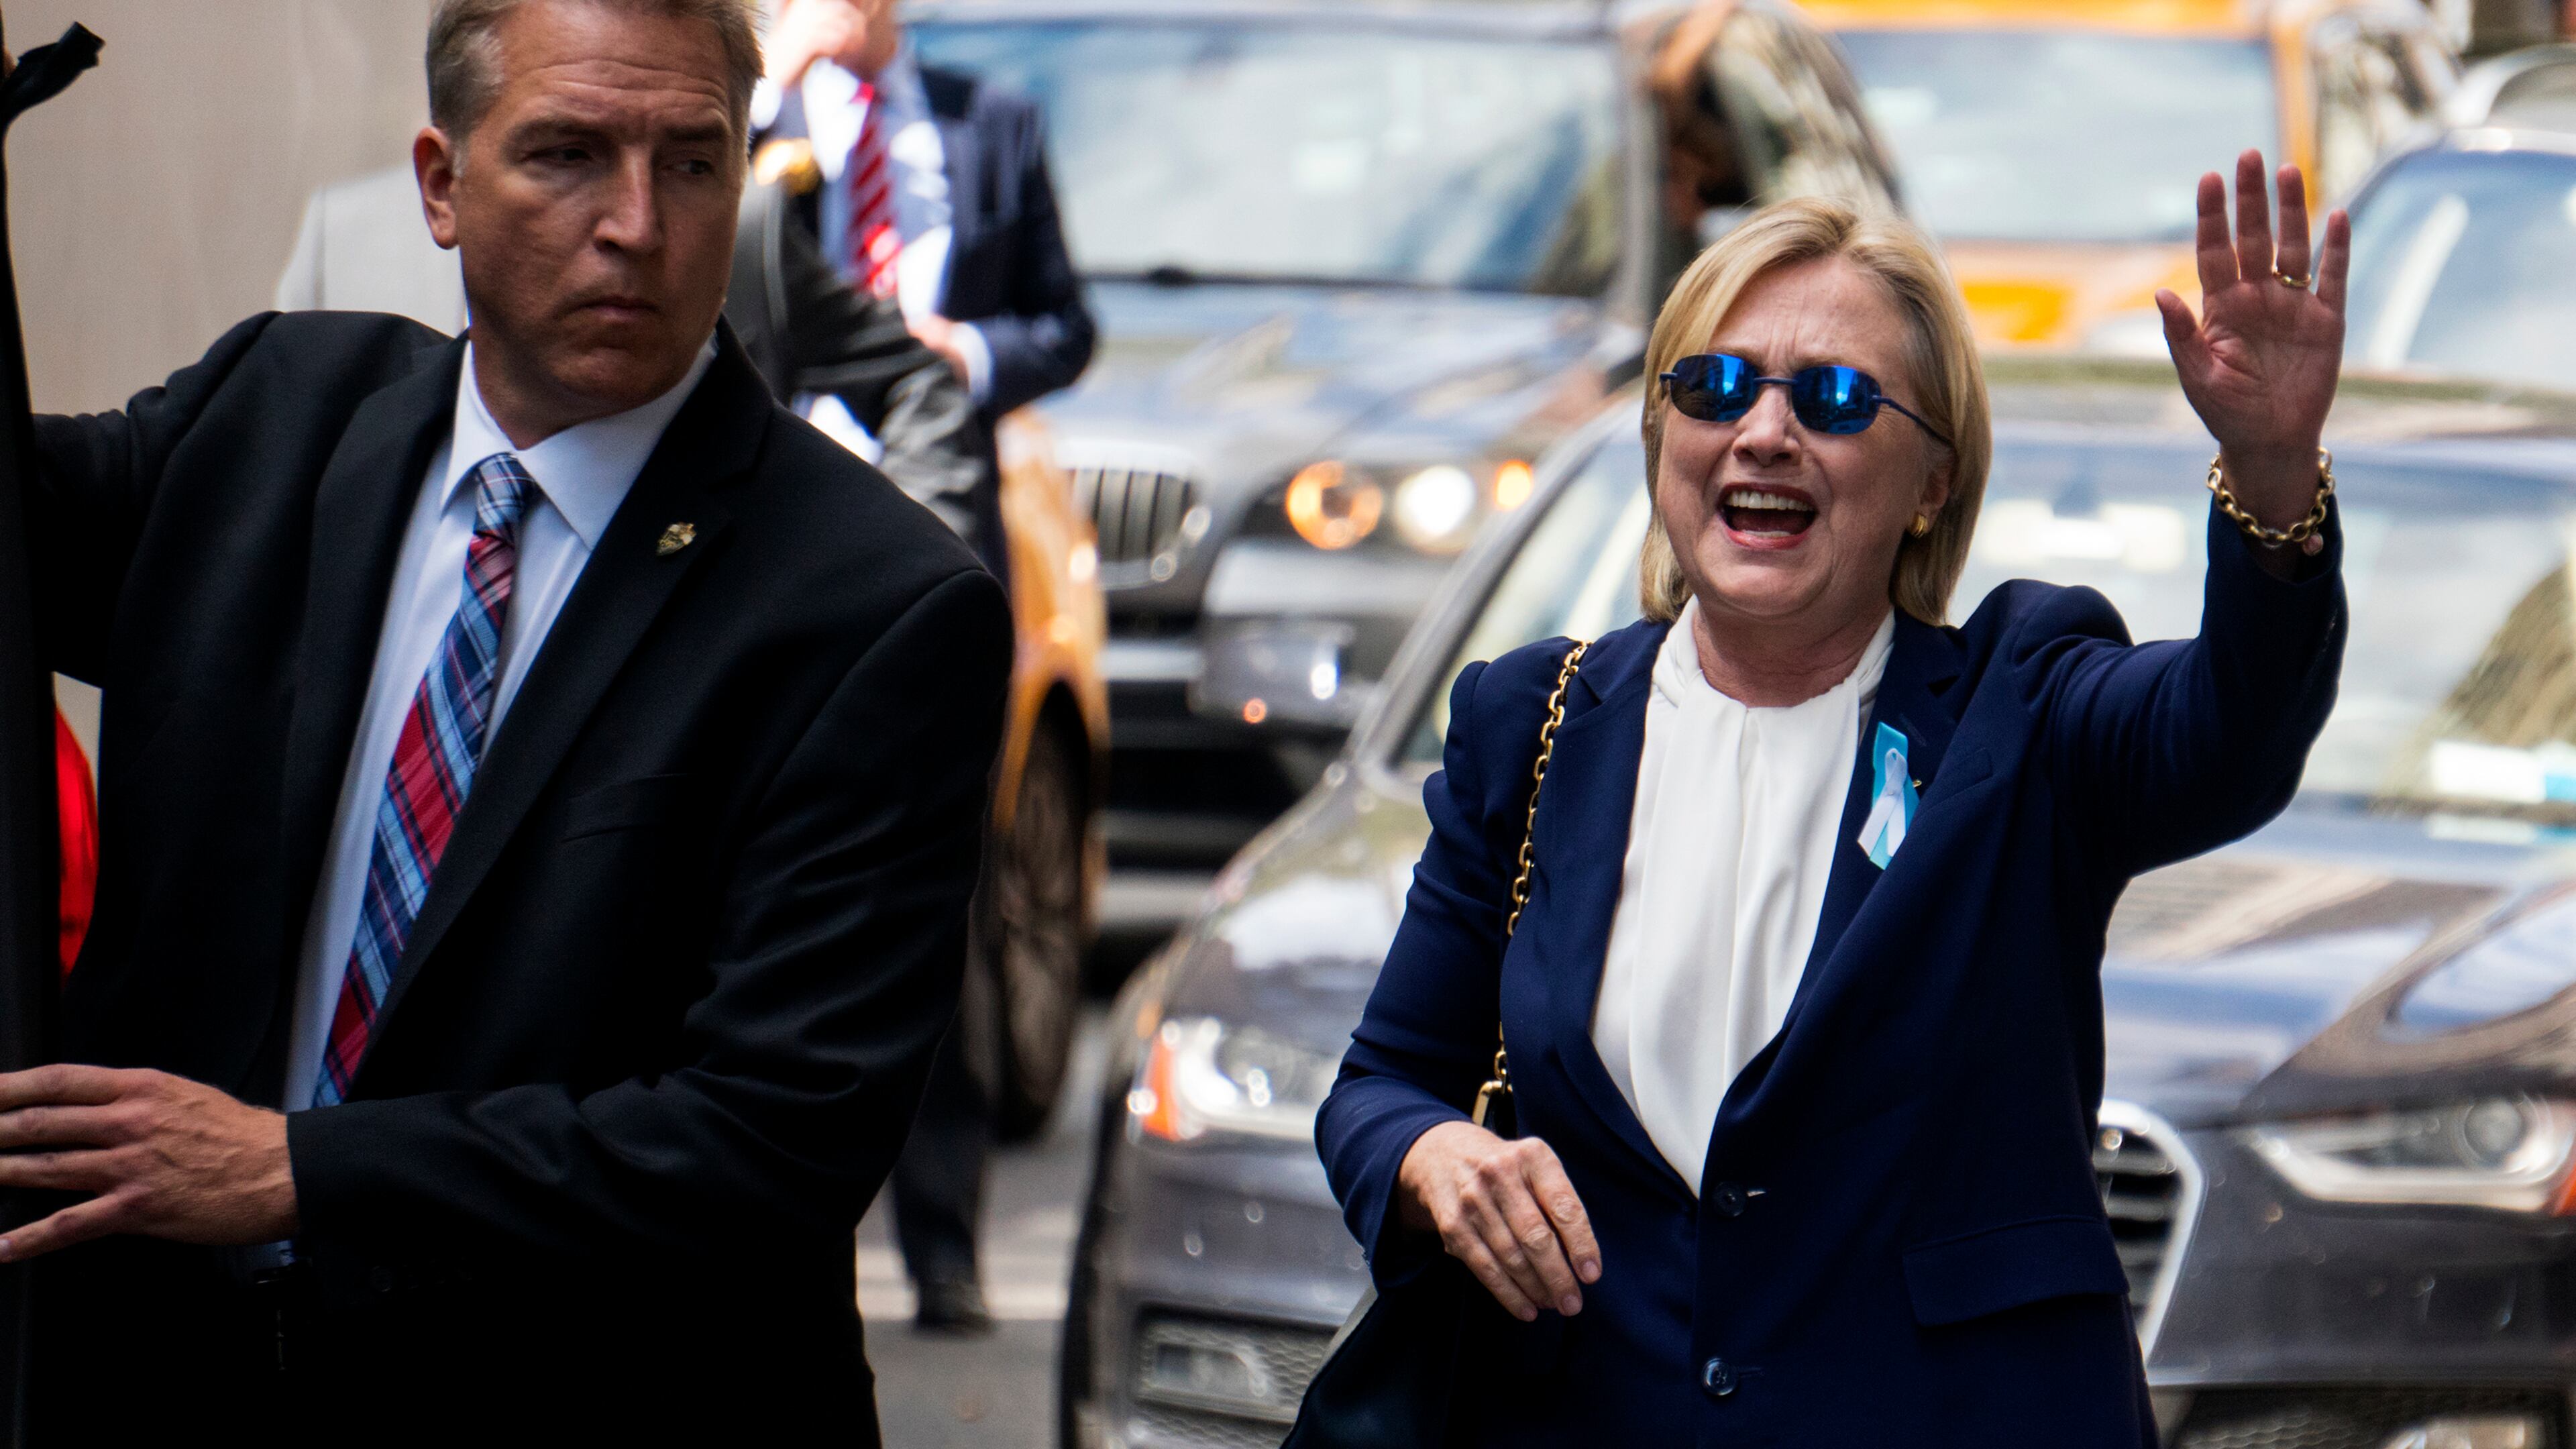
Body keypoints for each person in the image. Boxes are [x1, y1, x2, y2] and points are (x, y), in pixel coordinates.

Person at [0, 0, 1011, 1439]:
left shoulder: (874, 609)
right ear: (438, 184)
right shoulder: (273, 418)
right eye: (567, 155)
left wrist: (302, 1169)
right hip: (167, 1380)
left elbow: (768, 1143)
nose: (636, 225)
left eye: (692, 161)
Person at [1312, 154, 2349, 1445]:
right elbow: (1382, 1083)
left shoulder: (2021, 713)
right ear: (1662, 438)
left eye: (1840, 399)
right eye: (1716, 385)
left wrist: (2273, 486)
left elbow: (2232, 734)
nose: (1763, 431)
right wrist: (1431, 1162)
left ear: (1931, 485)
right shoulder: (1532, 725)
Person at [755, 0, 1095, 1331]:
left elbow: (1066, 323)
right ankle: (784, 1242)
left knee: (930, 879)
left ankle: (943, 1244)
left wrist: (975, 357)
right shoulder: (751, 116)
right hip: (772, 525)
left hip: (937, 529)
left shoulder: (988, 121)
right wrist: (772, 79)